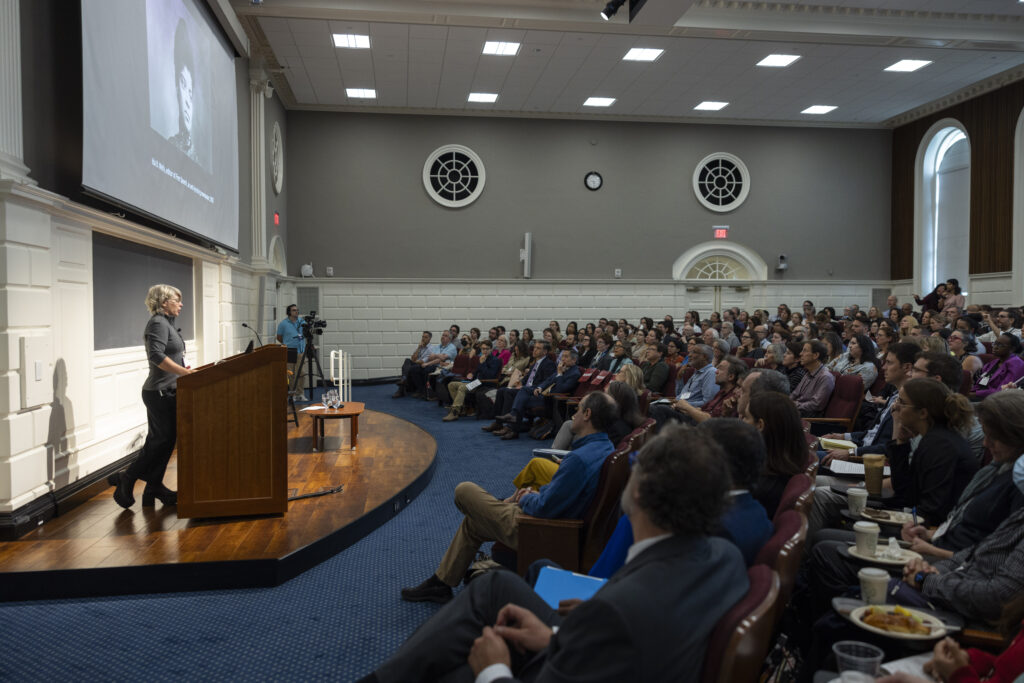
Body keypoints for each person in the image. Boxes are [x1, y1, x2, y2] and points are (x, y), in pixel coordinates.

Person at [364, 423, 747, 683]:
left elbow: (621, 629)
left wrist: (494, 670)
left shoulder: (617, 611)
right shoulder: (726, 556)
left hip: (588, 659)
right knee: (494, 585)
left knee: (462, 667)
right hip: (611, 652)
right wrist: (555, 636)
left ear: (641, 493)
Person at [401, 391, 618, 604]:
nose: (575, 415)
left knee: (464, 490)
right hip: (556, 522)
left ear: (587, 414)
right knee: (473, 522)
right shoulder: (605, 447)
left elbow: (544, 508)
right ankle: (441, 583)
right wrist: (536, 494)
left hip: (542, 529)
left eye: (578, 410)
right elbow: (559, 497)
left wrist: (525, 498)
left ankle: (500, 507)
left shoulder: (578, 460)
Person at [112, 284, 191, 508]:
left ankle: (154, 487)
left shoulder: (168, 324)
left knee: (164, 442)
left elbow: (171, 355)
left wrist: (183, 370)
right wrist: (183, 372)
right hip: (159, 393)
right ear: (164, 302)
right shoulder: (158, 323)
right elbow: (156, 355)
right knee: (159, 442)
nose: (181, 304)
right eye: (177, 300)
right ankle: (127, 478)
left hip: (169, 391)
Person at [745, 393, 808, 518]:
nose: (741, 423)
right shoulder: (783, 465)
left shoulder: (760, 487)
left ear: (760, 425)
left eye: (746, 418)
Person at [443, 341, 503, 422]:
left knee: (462, 387)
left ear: (491, 349)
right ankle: (463, 408)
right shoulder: (482, 358)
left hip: (484, 383)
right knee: (451, 384)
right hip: (476, 382)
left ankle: (455, 412)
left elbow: (489, 375)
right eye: (482, 349)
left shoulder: (495, 360)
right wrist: (472, 374)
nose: (484, 351)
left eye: (486, 349)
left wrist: (482, 363)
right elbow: (477, 371)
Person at [168, 19, 198, 163]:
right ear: (177, 90)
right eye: (183, 86)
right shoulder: (169, 146)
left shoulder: (196, 157)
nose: (187, 102)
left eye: (190, 92)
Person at [973, 333, 1024, 399]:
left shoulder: (1017, 364)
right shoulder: (994, 362)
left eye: (1000, 345)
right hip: (979, 395)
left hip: (996, 400)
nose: (995, 347)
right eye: (995, 343)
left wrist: (974, 394)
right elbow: (979, 382)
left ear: (1012, 349)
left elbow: (1002, 391)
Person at [276, 303, 306, 395]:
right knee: (290, 373)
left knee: (301, 373)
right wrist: (287, 343)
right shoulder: (283, 324)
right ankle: (293, 393)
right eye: (294, 310)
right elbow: (279, 337)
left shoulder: (302, 322)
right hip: (289, 351)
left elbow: (306, 333)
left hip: (300, 350)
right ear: (289, 312)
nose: (296, 311)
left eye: (297, 310)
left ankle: (300, 393)